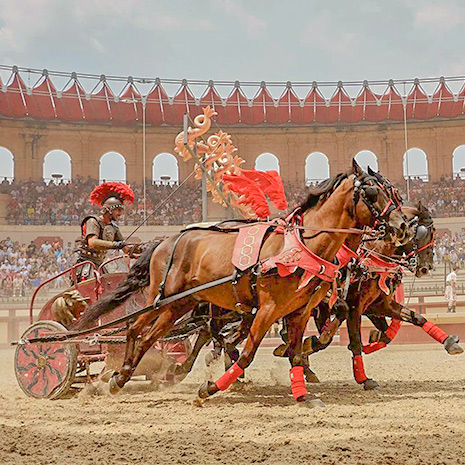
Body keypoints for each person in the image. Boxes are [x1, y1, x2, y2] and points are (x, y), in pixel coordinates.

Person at [75, 182, 135, 281]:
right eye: (118, 210)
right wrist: (115, 245)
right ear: (108, 210)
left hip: (101, 265)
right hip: (86, 266)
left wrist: (141, 249)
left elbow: (126, 249)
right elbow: (92, 243)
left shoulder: (113, 228)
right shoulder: (93, 221)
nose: (120, 214)